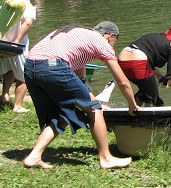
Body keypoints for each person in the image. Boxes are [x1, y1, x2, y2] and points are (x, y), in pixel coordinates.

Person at [21, 21, 139, 169]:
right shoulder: (101, 42)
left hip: (31, 67)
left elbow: (78, 70)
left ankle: (34, 156)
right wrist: (132, 104)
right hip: (54, 67)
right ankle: (106, 158)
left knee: (60, 115)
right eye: (114, 42)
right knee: (95, 108)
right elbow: (122, 82)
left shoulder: (77, 33)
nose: (112, 46)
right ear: (110, 36)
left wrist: (85, 90)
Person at [118, 22, 171, 108]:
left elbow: (149, 61)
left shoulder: (154, 36)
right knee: (155, 100)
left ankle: (132, 112)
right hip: (138, 63)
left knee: (146, 92)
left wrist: (160, 77)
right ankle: (151, 119)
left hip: (122, 61)